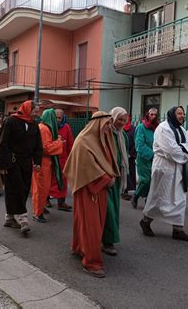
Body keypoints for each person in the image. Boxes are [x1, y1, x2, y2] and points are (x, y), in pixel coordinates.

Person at [64, 111, 119, 278]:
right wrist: (105, 179)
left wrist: (110, 176)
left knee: (91, 223)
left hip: (99, 189)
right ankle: (91, 262)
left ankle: (80, 248)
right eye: (107, 124)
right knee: (91, 226)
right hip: (89, 188)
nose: (110, 127)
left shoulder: (103, 139)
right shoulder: (83, 141)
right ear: (98, 124)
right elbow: (85, 167)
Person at [139, 106, 188, 242]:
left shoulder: (181, 129)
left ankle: (178, 229)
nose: (182, 116)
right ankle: (146, 221)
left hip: (178, 167)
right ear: (172, 114)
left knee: (180, 198)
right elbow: (171, 150)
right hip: (165, 168)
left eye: (183, 113)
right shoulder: (164, 128)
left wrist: (183, 150)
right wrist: (184, 151)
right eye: (179, 113)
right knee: (160, 197)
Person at [0, 100, 42, 235]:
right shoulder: (11, 121)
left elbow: (38, 145)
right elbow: (2, 143)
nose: (36, 114)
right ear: (28, 109)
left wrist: (37, 161)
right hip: (12, 161)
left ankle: (9, 217)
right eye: (35, 111)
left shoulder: (34, 125)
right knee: (16, 189)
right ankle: (23, 219)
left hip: (26, 162)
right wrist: (2, 164)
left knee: (23, 189)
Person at [102, 107, 129, 256]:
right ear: (112, 118)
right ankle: (107, 241)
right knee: (108, 210)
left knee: (114, 209)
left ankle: (109, 238)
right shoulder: (106, 133)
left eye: (124, 120)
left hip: (117, 176)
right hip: (107, 177)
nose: (122, 123)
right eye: (120, 119)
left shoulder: (122, 135)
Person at [31, 108, 63, 223]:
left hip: (43, 164)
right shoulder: (44, 129)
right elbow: (46, 148)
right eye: (55, 117)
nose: (57, 119)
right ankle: (37, 213)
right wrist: (59, 142)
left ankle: (39, 209)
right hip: (42, 164)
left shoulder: (42, 127)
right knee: (40, 189)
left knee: (41, 189)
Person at [131, 108, 159, 209]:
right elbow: (139, 145)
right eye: (151, 114)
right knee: (145, 180)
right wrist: (152, 154)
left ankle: (148, 198)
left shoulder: (157, 128)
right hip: (143, 158)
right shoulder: (141, 127)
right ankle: (136, 195)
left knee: (153, 180)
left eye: (155, 115)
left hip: (155, 158)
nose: (153, 117)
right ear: (147, 115)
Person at [49, 108, 74, 211]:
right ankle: (46, 200)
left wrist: (71, 158)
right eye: (56, 117)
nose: (58, 120)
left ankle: (61, 202)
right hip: (51, 159)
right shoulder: (48, 127)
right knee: (49, 180)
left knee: (62, 181)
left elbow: (70, 143)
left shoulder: (66, 127)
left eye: (60, 117)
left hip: (63, 159)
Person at [122, 115, 136, 201]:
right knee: (123, 173)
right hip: (121, 155)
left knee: (130, 172)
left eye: (126, 118)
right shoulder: (119, 128)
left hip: (130, 155)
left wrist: (131, 153)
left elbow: (136, 142)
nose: (125, 120)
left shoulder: (133, 129)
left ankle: (129, 191)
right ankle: (124, 191)